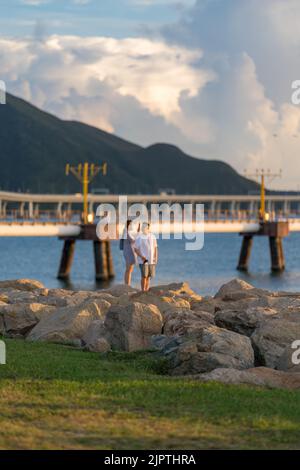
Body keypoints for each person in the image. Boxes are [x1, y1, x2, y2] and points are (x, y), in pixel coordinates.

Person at [134, 222, 158, 292]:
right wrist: (142, 257)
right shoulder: (139, 237)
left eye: (147, 227)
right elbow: (135, 249)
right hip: (143, 260)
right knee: (144, 276)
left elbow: (155, 248)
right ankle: (143, 290)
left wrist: (155, 258)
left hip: (151, 260)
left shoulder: (153, 236)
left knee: (149, 276)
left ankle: (146, 290)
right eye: (144, 227)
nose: (146, 229)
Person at [120, 219, 139, 286]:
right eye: (131, 224)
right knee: (128, 269)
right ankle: (127, 284)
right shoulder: (126, 232)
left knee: (129, 269)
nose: (132, 226)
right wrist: (138, 233)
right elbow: (133, 241)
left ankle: (127, 283)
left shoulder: (126, 232)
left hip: (129, 251)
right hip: (129, 252)